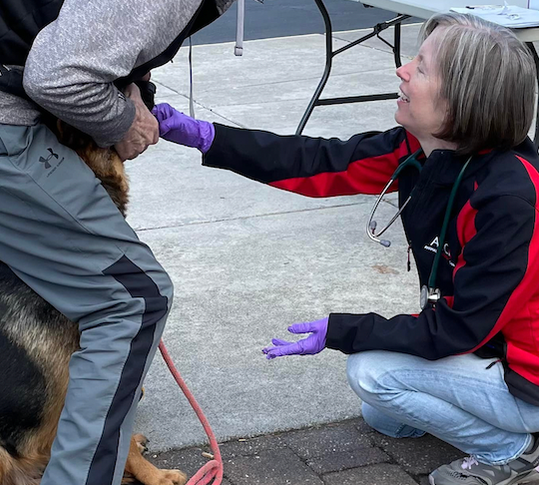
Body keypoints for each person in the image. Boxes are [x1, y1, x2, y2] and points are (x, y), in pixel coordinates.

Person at [152, 12, 539, 485]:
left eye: (420, 67)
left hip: (525, 374)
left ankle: (513, 449)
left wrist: (342, 330)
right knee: (383, 414)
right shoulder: (421, 150)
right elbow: (317, 162)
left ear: (462, 101)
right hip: (481, 344)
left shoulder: (511, 198)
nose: (401, 70)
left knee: (372, 374)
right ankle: (492, 423)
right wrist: (209, 138)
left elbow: (460, 331)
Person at [0, 1, 234, 484]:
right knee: (132, 299)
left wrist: (133, 91)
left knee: (102, 286)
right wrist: (123, 122)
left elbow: (97, 43)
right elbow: (60, 78)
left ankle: (99, 442)